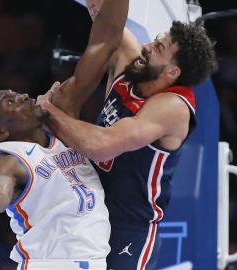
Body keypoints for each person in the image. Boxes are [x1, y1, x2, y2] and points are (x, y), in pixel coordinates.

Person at [0, 0, 129, 269]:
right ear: (1, 131)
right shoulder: (9, 161)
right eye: (10, 103)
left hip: (91, 261)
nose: (20, 95)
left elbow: (104, 41)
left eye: (15, 94)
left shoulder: (61, 119)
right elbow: (0, 190)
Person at [38, 1, 217, 269]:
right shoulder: (130, 58)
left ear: (172, 72)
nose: (147, 46)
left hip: (129, 226)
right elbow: (104, 14)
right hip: (89, 209)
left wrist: (47, 112)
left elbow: (101, 146)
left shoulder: (173, 107)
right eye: (156, 40)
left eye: (159, 48)